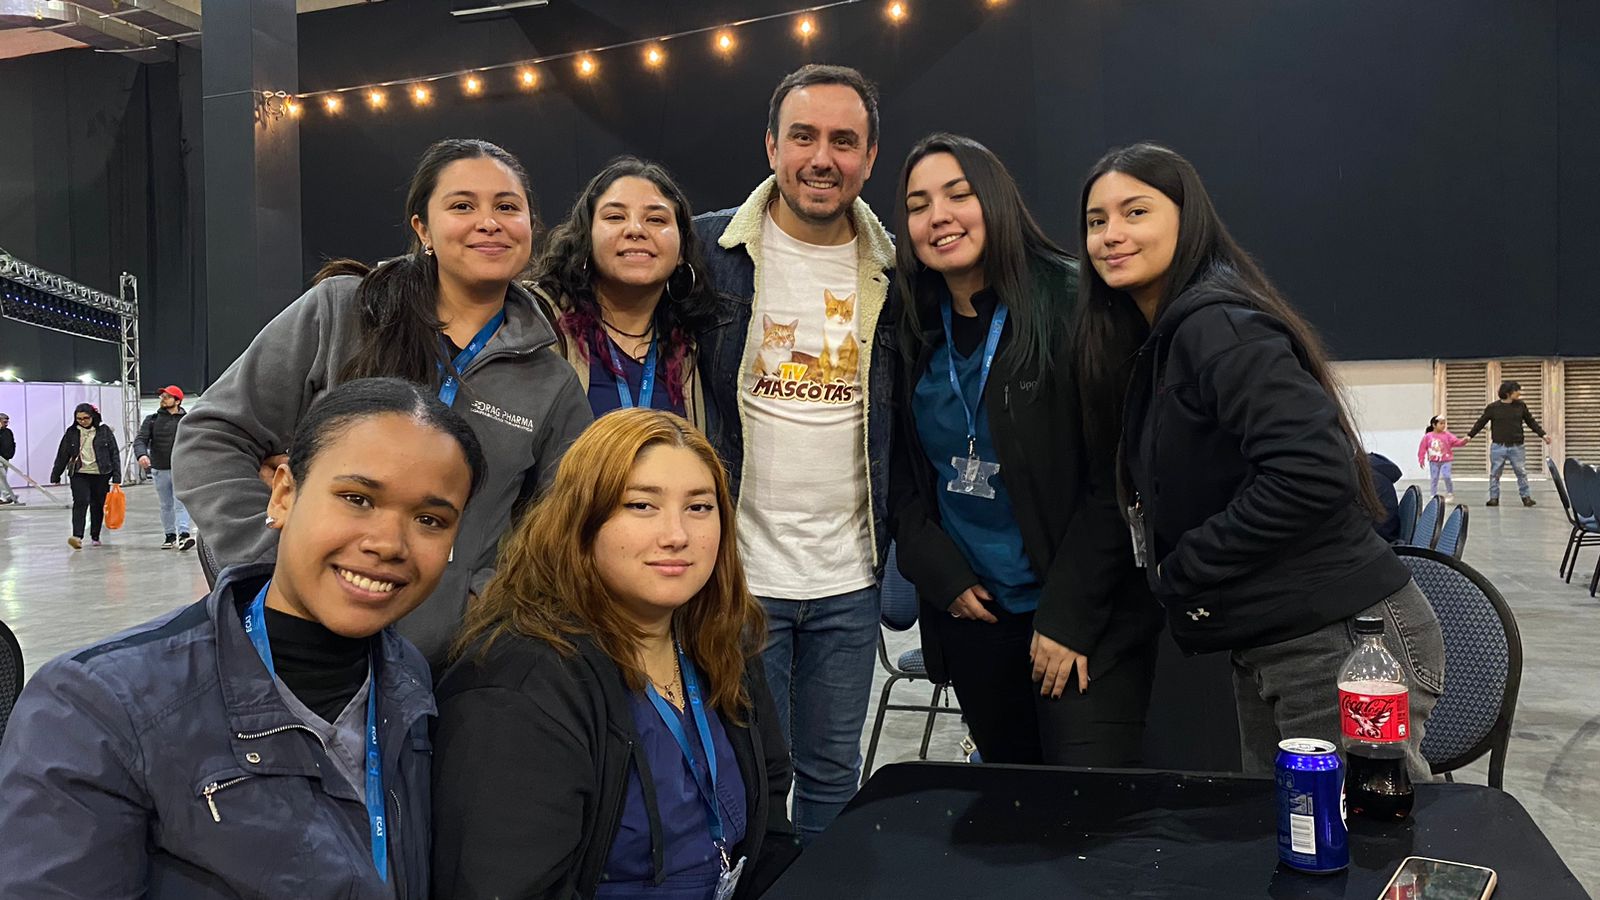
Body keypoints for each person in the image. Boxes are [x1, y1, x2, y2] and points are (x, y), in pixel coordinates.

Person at [0, 377, 486, 899]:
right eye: (357, 498)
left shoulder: (407, 677)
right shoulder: (98, 710)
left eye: (430, 519)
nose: (389, 544)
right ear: (284, 494)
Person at [1074, 142, 1444, 776]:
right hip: (1276, 637)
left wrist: (1183, 565)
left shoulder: (1217, 326)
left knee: (1355, 827)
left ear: (1187, 219)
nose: (1111, 235)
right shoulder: (1170, 337)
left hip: (1340, 639)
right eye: (1096, 220)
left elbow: (1312, 472)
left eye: (1136, 212)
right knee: (1295, 824)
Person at [176, 137, 591, 668]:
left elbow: (567, 520)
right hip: (291, 647)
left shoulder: (550, 380)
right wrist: (274, 562)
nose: (489, 222)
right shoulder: (342, 312)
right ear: (423, 229)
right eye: (463, 205)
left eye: (508, 207)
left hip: (443, 668)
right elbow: (211, 436)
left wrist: (484, 599)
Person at [431, 408, 796, 899]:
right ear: (582, 521)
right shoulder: (518, 688)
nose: (677, 535)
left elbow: (770, 810)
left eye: (699, 507)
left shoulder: (718, 638)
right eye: (642, 505)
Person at [888, 133, 1161, 766]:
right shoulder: (907, 320)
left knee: (1083, 809)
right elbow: (898, 469)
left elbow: (1117, 478)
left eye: (959, 195)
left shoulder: (1076, 304)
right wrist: (940, 572)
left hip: (1080, 617)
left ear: (997, 200)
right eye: (918, 205)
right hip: (974, 616)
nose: (938, 217)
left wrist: (1068, 617)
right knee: (1009, 801)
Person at [691, 63, 897, 840]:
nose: (822, 158)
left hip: (851, 578)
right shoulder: (707, 250)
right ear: (772, 146)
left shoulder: (894, 269)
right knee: (751, 778)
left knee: (834, 775)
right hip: (741, 577)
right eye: (803, 137)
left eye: (844, 141)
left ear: (869, 157)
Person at [533, 156, 715, 424]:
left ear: (681, 251)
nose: (636, 230)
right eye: (615, 217)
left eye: (656, 219)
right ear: (586, 239)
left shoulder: (696, 348)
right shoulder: (539, 324)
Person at [1467, 380, 1550, 507]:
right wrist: (1470, 436)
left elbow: (1531, 421)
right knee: (1495, 473)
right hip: (1498, 446)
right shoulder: (1493, 408)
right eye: (1516, 391)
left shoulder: (1521, 406)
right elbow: (1481, 422)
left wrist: (1543, 434)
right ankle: (1494, 498)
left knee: (1521, 472)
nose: (1519, 393)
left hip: (1517, 446)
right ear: (1508, 393)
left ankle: (1526, 497)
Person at [49, 402, 120, 549]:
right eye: (79, 419)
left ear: (93, 417)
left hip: (101, 473)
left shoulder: (104, 431)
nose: (82, 421)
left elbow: (114, 453)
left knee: (97, 504)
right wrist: (56, 474)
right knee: (80, 501)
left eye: (86, 418)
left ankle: (95, 535)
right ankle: (77, 536)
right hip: (79, 473)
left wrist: (117, 477)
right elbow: (63, 453)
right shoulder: (72, 432)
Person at [135, 384, 197, 550]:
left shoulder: (188, 420)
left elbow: (196, 442)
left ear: (177, 401)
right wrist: (141, 455)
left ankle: (184, 535)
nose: (163, 399)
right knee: (166, 504)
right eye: (162, 396)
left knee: (181, 502)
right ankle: (169, 536)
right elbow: (140, 440)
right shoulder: (152, 420)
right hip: (160, 468)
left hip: (181, 468)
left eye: (167, 397)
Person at [1417, 415, 1469, 501]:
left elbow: (1456, 442)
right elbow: (1422, 448)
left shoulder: (1447, 435)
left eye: (1444, 423)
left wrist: (1464, 441)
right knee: (1434, 478)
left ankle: (1449, 492)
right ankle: (1433, 494)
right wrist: (1421, 459)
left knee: (1447, 476)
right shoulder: (1428, 436)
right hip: (1433, 461)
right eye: (1441, 423)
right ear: (1434, 425)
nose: (1443, 425)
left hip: (1446, 460)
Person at [0, 412, 16, 504]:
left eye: (7, 422)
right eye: (4, 422)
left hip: (6, 458)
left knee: (3, 477)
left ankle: (4, 496)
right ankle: (7, 496)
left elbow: (11, 443)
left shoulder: (8, 432)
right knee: (2, 477)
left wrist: (10, 454)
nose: (6, 424)